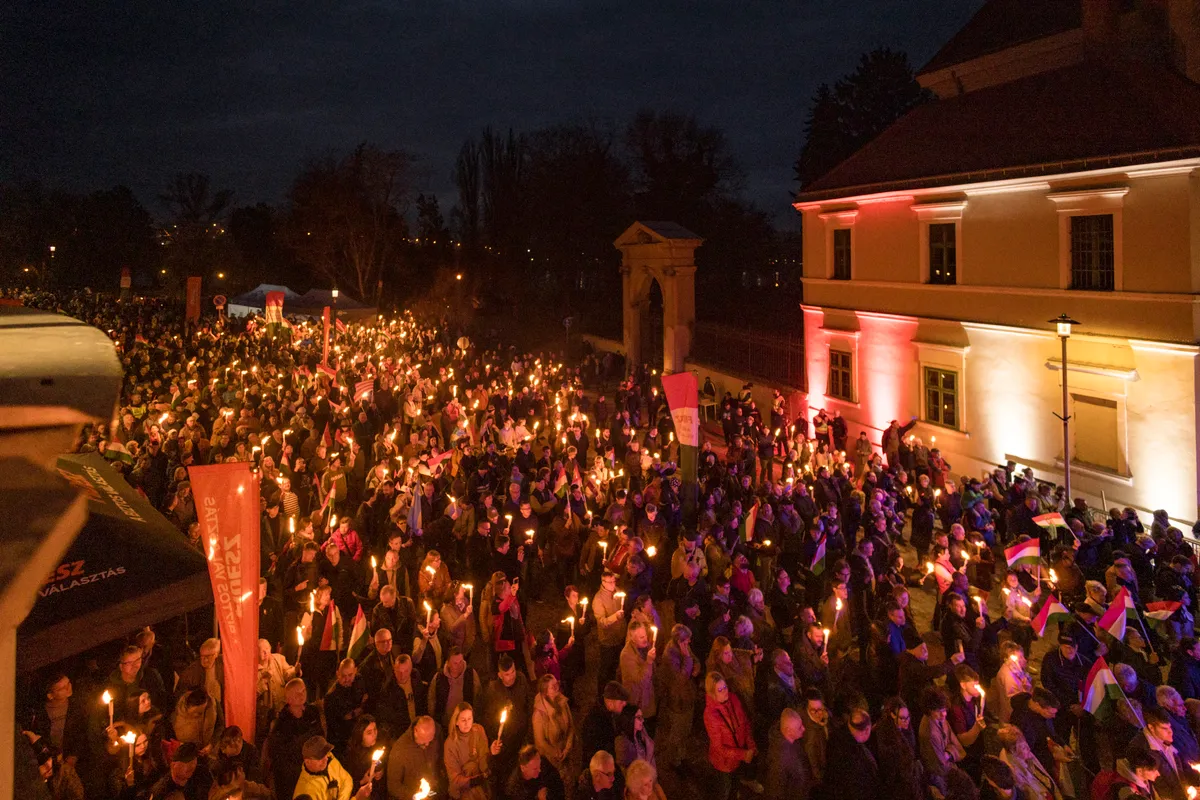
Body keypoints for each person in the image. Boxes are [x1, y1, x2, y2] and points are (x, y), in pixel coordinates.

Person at [702, 672, 759, 799]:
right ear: (712, 693)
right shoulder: (710, 715)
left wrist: (750, 744)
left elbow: (744, 722)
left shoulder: (733, 699)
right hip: (724, 763)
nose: (725, 691)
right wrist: (743, 755)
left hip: (738, 755)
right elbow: (719, 748)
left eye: (725, 687)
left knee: (735, 783)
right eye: (720, 690)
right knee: (725, 791)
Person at [443, 702, 501, 800]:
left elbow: (484, 763)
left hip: (481, 784)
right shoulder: (450, 744)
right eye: (463, 720)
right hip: (463, 790)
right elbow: (455, 779)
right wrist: (476, 779)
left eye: (469, 719)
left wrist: (491, 753)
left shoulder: (478, 730)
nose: (467, 723)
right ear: (456, 721)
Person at [293, 735, 374, 800]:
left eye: (326, 753)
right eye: (320, 757)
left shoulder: (329, 759)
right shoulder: (306, 793)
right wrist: (357, 798)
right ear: (307, 762)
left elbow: (347, 780)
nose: (325, 759)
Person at [532, 674, 576, 788]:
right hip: (551, 761)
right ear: (545, 692)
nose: (557, 688)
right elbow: (541, 741)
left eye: (557, 684)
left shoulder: (562, 702)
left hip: (566, 754)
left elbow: (570, 726)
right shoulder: (539, 715)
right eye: (553, 687)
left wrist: (567, 748)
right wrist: (557, 754)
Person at [387, 716, 445, 800]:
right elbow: (393, 786)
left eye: (430, 741)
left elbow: (440, 760)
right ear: (415, 731)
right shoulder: (399, 750)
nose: (427, 745)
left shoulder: (437, 734)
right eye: (423, 743)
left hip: (435, 791)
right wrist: (414, 796)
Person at [764, 708, 813, 800]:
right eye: (799, 727)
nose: (804, 728)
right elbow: (776, 792)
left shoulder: (793, 741)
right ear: (789, 730)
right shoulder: (779, 760)